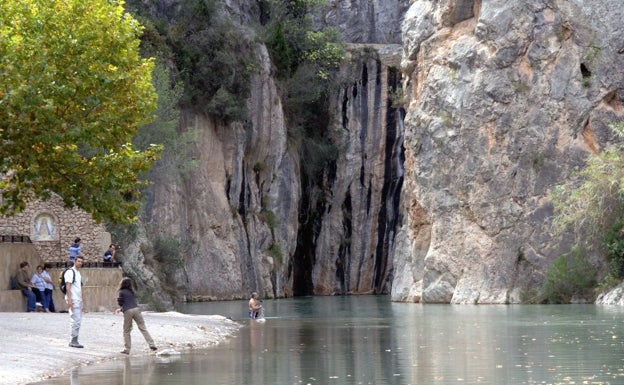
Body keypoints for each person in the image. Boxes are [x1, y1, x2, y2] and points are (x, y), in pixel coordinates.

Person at [115, 277, 157, 354]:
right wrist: (121, 309)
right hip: (137, 310)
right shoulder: (132, 291)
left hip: (128, 311)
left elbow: (121, 303)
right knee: (143, 328)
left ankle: (127, 349)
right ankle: (152, 344)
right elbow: (131, 302)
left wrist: (120, 308)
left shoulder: (121, 292)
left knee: (126, 331)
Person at [65, 255, 84, 348]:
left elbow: (78, 287)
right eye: (78, 261)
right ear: (75, 261)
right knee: (75, 320)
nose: (80, 263)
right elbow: (68, 286)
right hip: (73, 299)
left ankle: (74, 339)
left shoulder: (78, 273)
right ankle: (73, 340)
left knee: (78, 320)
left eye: (81, 262)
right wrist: (69, 300)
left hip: (78, 299)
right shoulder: (70, 272)